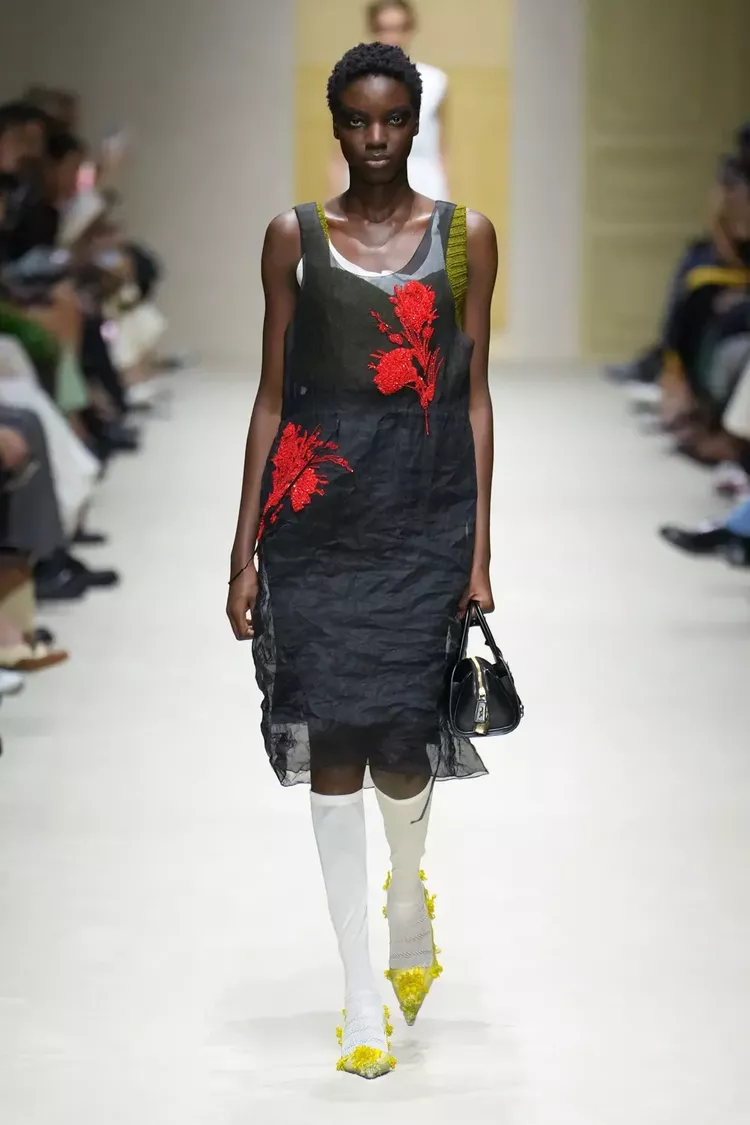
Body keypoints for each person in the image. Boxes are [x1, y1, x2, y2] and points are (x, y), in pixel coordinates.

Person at [227, 42, 496, 1079]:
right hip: (316, 517)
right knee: (333, 741)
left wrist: (479, 548)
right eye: (357, 120)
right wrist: (243, 551)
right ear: (335, 124)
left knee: (402, 745)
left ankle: (407, 893)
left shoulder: (466, 238)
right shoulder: (291, 237)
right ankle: (357, 993)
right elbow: (269, 396)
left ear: (415, 122)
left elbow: (473, 395)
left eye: (392, 120)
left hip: (425, 514)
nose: (375, 138)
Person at [330, 2, 449, 201]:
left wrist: (446, 201)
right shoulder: (353, 82)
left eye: (399, 28)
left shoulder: (435, 81)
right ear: (372, 30)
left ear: (410, 30)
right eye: (384, 29)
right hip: (365, 183)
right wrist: (330, 207)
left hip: (424, 182)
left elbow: (442, 149)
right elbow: (339, 153)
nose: (392, 37)